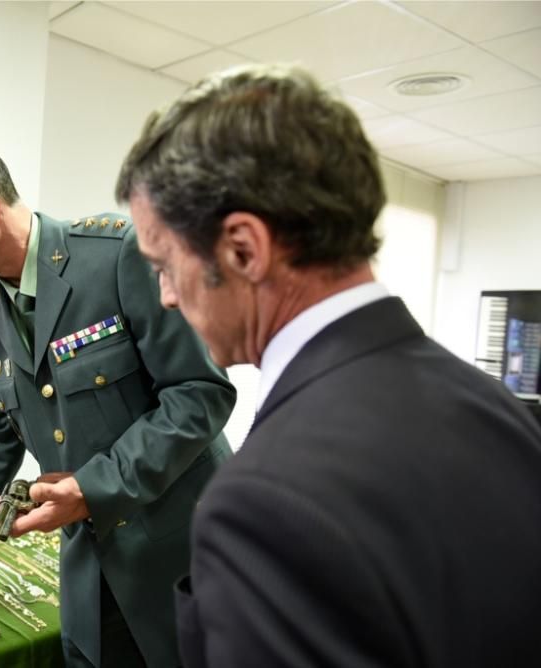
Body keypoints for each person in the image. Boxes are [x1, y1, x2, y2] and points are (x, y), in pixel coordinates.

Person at [115, 63, 541, 668]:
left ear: (243, 248)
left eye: (164, 265)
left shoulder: (262, 503)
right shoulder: (495, 407)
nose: (165, 295)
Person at [0, 125, 236, 667]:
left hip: (182, 559)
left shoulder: (116, 257)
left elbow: (200, 393)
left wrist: (91, 486)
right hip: (91, 567)